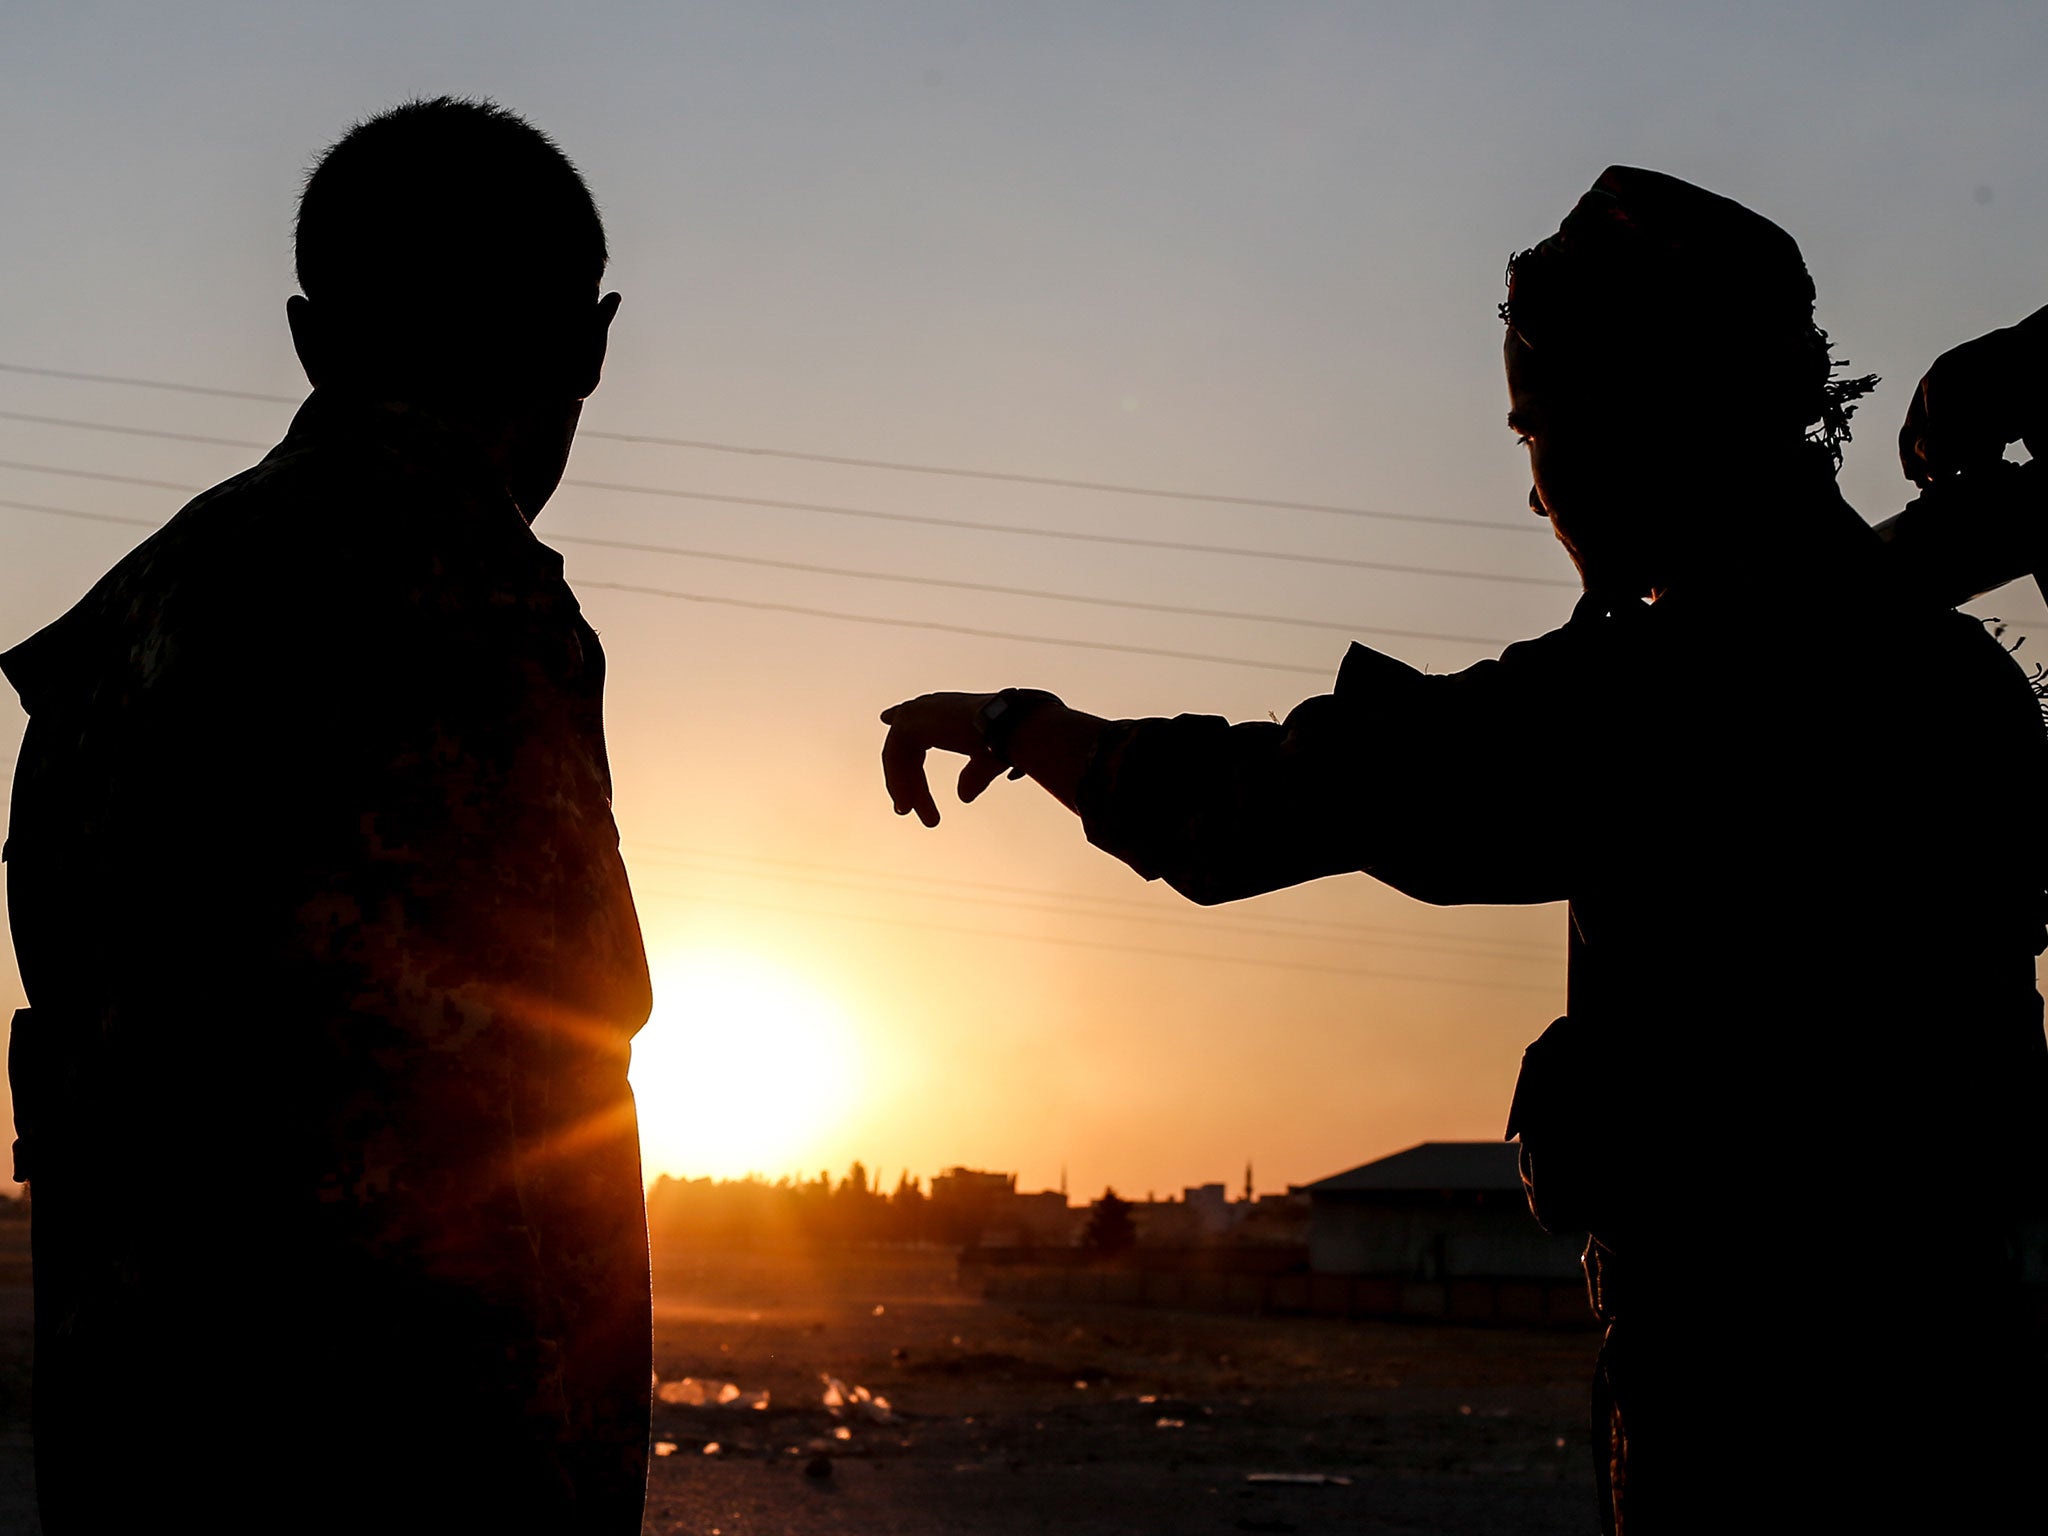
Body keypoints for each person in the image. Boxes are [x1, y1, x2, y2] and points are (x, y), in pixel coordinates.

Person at [881, 167, 2048, 1530]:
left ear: (1628, 425)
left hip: (1770, 1421)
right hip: (1966, 1391)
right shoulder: (1946, 674)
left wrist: (1035, 729)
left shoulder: (1669, 695)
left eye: (1535, 431)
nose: (1539, 490)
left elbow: (1268, 803)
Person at [4, 99, 651, 1534]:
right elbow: (533, 1095)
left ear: (309, 339)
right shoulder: (461, 596)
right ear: (592, 343)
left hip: (144, 1454)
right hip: (396, 1460)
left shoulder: (123, 625)